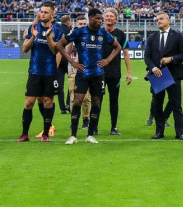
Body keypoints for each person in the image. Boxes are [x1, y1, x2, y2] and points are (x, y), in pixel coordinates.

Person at [56, 8, 121, 145]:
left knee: (96, 103)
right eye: (97, 18)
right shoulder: (79, 32)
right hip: (83, 73)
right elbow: (60, 44)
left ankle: (90, 134)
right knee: (77, 102)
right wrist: (72, 61)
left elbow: (118, 47)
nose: (100, 21)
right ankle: (73, 135)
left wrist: (108, 60)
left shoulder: (103, 33)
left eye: (101, 19)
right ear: (90, 18)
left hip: (98, 75)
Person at [18, 2, 63, 143]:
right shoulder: (33, 27)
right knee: (29, 102)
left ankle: (46, 134)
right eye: (41, 12)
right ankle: (24, 134)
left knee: (48, 102)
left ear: (52, 14)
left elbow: (55, 50)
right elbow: (24, 49)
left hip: (50, 72)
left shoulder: (58, 29)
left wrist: (49, 36)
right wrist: (33, 37)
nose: (42, 14)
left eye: (45, 12)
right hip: (35, 71)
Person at [144, 11, 183, 141]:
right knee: (157, 104)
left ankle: (179, 133)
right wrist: (153, 67)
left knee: (176, 104)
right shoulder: (152, 37)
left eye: (161, 19)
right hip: (158, 75)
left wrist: (171, 59)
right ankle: (159, 132)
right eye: (157, 19)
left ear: (168, 20)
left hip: (174, 74)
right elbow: (147, 56)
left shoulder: (177, 36)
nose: (158, 21)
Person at [102, 8, 132, 136]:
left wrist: (129, 72)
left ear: (115, 19)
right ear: (104, 18)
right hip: (99, 73)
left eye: (111, 16)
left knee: (114, 100)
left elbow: (126, 53)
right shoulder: (98, 32)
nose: (109, 18)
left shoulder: (120, 34)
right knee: (96, 99)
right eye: (107, 16)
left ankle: (113, 127)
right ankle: (94, 127)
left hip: (114, 73)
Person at [66, 16, 92, 131]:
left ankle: (86, 119)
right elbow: (66, 51)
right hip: (73, 70)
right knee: (73, 97)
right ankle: (73, 120)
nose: (82, 25)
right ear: (76, 25)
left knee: (86, 98)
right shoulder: (72, 36)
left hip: (87, 70)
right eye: (80, 24)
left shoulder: (90, 37)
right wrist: (71, 37)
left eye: (84, 24)